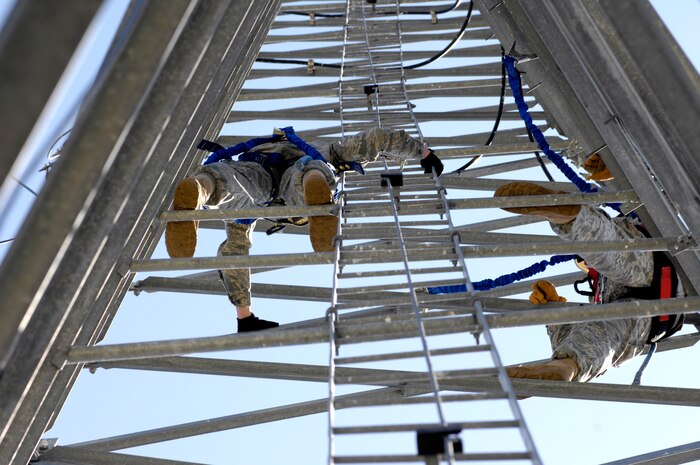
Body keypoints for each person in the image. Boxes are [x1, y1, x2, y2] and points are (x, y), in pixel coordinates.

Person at [165, 127, 443, 332]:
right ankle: (314, 185)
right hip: (302, 168)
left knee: (232, 183)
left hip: (255, 164)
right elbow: (377, 139)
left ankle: (201, 187)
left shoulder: (265, 147)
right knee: (309, 176)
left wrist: (244, 314)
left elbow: (234, 252)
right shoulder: (326, 148)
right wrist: (422, 151)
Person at [493, 180, 684, 382]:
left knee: (609, 255)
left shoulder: (603, 274)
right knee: (604, 331)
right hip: (651, 303)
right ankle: (566, 366)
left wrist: (553, 312)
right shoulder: (599, 293)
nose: (583, 264)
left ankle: (572, 218)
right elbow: (587, 334)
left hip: (656, 264)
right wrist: (554, 312)